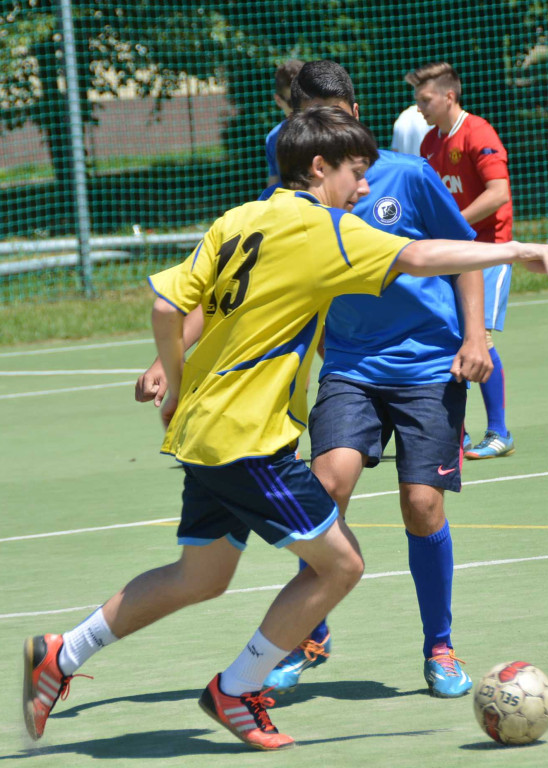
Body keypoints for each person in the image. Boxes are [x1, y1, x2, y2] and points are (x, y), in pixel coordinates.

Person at [25, 105, 548, 750]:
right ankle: (237, 689)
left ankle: (61, 654)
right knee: (342, 566)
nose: (365, 187)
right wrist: (517, 248)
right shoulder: (328, 232)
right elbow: (420, 255)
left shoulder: (239, 217)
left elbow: (167, 303)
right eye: (356, 173)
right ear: (319, 167)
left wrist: (177, 381)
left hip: (203, 428)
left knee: (202, 577)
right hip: (249, 440)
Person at [139, 59, 491, 697]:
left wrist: (475, 336)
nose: (311, 132)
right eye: (301, 121)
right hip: (350, 362)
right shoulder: (295, 175)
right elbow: (240, 271)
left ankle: (438, 644)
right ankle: (311, 630)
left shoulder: (406, 176)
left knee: (422, 503)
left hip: (424, 363)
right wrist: (170, 358)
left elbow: (457, 250)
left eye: (326, 119)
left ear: (353, 117)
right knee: (327, 486)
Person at [407, 62, 516, 460]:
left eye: (425, 99)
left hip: (488, 249)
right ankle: (459, 434)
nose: (419, 107)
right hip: (450, 252)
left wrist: (452, 225)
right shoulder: (429, 144)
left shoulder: (478, 132)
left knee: (479, 338)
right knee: (448, 337)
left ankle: (500, 432)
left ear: (449, 96)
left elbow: (498, 193)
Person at [264, 59, 305, 190]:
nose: (301, 108)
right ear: (278, 101)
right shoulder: (273, 139)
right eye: (292, 103)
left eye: (304, 99)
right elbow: (273, 187)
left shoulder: (330, 133)